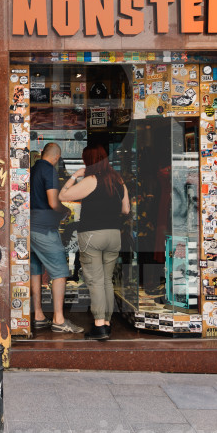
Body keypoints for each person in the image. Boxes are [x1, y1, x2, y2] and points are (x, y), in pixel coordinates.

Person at [60, 144, 130, 341]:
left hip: (92, 235)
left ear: (87, 161)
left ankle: (100, 326)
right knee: (107, 280)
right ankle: (106, 322)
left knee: (95, 281)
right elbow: (126, 210)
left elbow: (63, 196)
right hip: (114, 234)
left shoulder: (91, 179)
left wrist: (75, 176)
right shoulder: (118, 180)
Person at [29, 142, 82, 334]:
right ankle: (59, 319)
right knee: (60, 271)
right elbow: (53, 202)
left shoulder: (33, 169)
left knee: (35, 271)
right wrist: (65, 210)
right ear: (57, 157)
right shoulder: (49, 171)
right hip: (44, 230)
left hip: (29, 228)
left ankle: (38, 316)